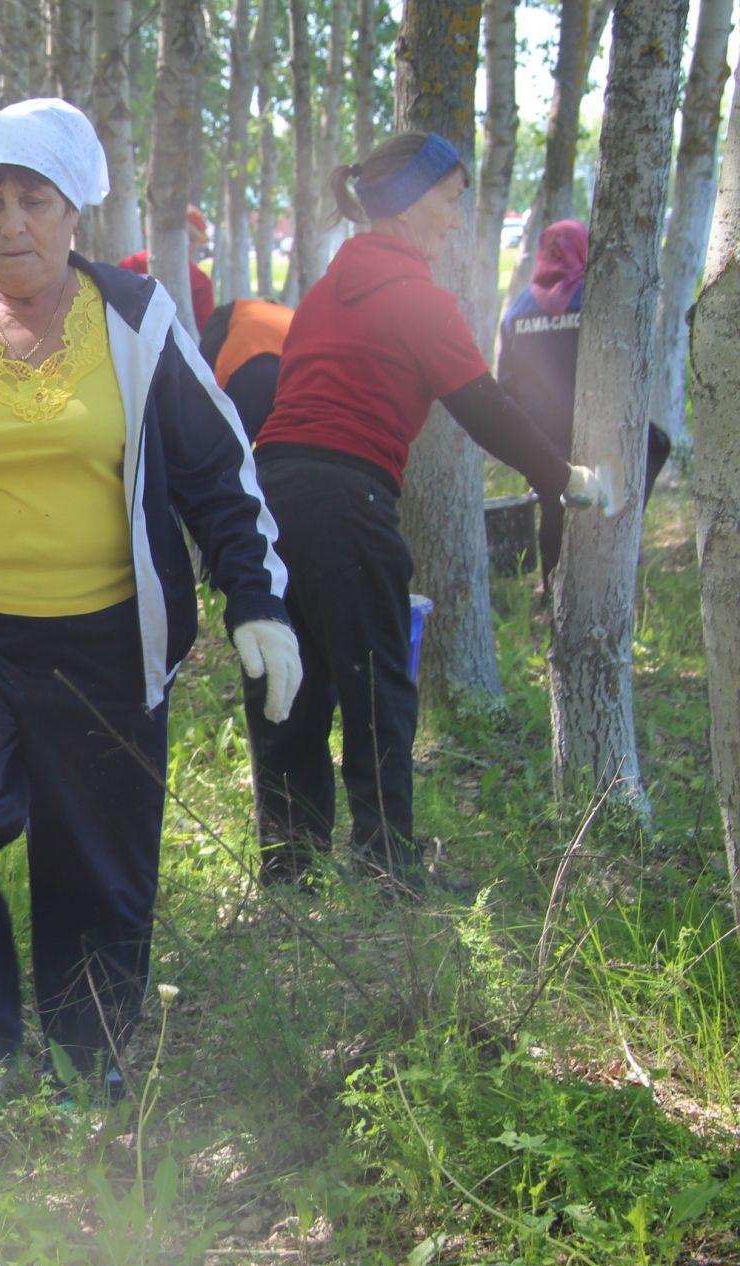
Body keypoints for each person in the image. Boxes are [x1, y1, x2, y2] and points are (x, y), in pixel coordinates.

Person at [0, 98, 301, 1099]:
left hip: (106, 641)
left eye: (32, 200)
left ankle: (84, 1054)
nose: (11, 222)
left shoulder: (136, 323)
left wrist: (256, 598)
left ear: (73, 212)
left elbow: (218, 469)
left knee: (98, 862)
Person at [247, 133, 610, 890]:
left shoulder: (327, 289)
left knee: (292, 684)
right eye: (450, 198)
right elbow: (486, 409)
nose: (456, 217)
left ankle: (291, 871)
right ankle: (386, 867)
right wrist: (561, 477)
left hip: (269, 498)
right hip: (347, 499)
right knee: (376, 682)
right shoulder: (416, 298)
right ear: (410, 205)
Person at [495, 218, 672, 574]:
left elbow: (506, 384)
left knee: (552, 502)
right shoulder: (596, 302)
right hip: (596, 429)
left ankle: (551, 581)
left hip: (538, 435)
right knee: (655, 443)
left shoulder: (516, 312)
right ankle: (622, 542)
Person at [196, 297, 294, 441]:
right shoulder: (290, 315)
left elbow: (203, 370)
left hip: (248, 363)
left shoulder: (232, 309)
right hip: (289, 374)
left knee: (225, 444)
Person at [116, 206, 216, 332]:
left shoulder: (201, 282)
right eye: (182, 237)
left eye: (192, 240)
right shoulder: (130, 267)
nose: (184, 244)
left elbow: (206, 331)